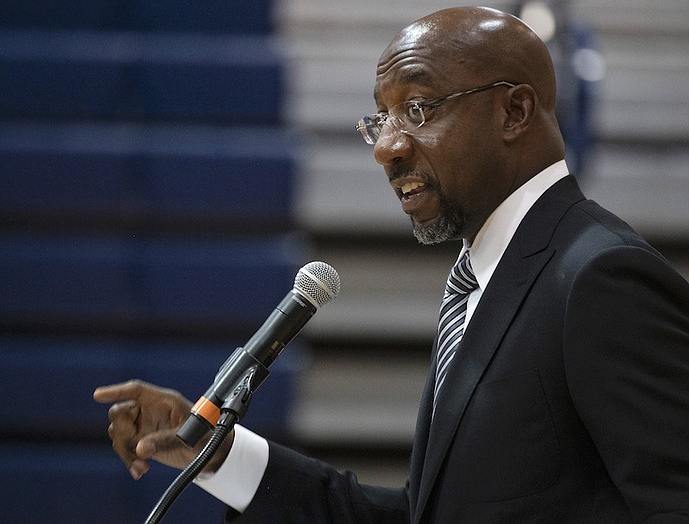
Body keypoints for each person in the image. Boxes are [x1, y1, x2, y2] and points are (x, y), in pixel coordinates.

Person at [94, 6, 689, 522]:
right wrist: (217, 455)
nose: (386, 147)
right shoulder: (486, 282)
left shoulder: (599, 280)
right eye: (381, 119)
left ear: (514, 112)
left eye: (419, 108)